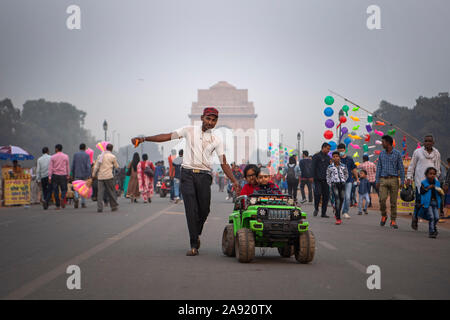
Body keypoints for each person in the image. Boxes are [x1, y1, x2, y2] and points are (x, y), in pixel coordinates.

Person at [131, 106, 241, 256]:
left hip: (204, 176)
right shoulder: (189, 130)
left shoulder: (217, 139)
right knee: (191, 210)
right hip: (187, 174)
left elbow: (223, 162)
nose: (210, 122)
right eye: (208, 118)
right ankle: (194, 244)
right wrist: (144, 139)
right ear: (202, 118)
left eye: (214, 120)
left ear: (216, 122)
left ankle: (196, 233)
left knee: (204, 210)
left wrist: (234, 180)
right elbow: (167, 136)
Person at [406, 134, 441, 230]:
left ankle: (433, 224)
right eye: (426, 141)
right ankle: (415, 218)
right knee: (419, 202)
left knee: (431, 203)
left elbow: (437, 169)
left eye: (430, 141)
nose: (428, 143)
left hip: (432, 183)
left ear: (433, 143)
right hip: (419, 182)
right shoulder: (417, 152)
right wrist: (409, 177)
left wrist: (436, 180)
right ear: (423, 142)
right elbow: (412, 166)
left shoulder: (437, 153)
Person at [375, 135, 405, 229]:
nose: (382, 144)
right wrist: (377, 180)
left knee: (393, 202)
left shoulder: (397, 154)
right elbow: (379, 167)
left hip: (394, 179)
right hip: (383, 179)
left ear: (388, 143)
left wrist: (403, 180)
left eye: (383, 142)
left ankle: (393, 220)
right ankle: (384, 215)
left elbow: (401, 168)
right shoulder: (381, 154)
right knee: (382, 199)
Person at [93, 144, 119, 212]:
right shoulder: (112, 156)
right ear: (111, 149)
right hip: (109, 176)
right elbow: (116, 166)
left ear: (106, 148)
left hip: (100, 177)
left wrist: (93, 174)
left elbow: (96, 166)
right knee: (111, 192)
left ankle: (99, 208)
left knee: (100, 193)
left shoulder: (100, 156)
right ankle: (113, 206)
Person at [419, 167, 442, 238]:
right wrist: (428, 187)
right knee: (431, 217)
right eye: (430, 174)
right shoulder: (424, 183)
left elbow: (440, 194)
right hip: (428, 203)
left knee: (437, 217)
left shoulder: (437, 183)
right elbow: (422, 192)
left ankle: (434, 227)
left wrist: (440, 190)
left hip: (435, 203)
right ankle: (431, 231)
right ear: (426, 175)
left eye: (434, 174)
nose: (432, 175)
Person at [337, 143, 358, 219]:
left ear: (345, 150)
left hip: (348, 180)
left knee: (348, 197)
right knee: (339, 197)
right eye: (339, 151)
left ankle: (345, 212)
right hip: (338, 181)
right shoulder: (336, 159)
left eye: (342, 151)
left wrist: (357, 178)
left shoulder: (349, 159)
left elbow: (354, 169)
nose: (341, 152)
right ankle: (337, 210)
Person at [326, 151, 348, 225]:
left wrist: (344, 180)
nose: (335, 158)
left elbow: (346, 174)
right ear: (332, 158)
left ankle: (337, 210)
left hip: (342, 184)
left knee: (342, 198)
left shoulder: (344, 166)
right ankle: (338, 218)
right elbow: (328, 176)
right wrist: (330, 184)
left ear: (339, 157)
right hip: (334, 184)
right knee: (337, 200)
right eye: (334, 156)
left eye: (337, 156)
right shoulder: (330, 167)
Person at [311, 143, 331, 218]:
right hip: (317, 179)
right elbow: (312, 167)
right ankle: (316, 208)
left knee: (326, 196)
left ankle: (323, 213)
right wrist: (312, 177)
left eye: (329, 149)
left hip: (326, 180)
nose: (328, 150)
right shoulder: (316, 156)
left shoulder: (328, 158)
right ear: (323, 148)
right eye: (327, 149)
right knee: (318, 194)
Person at [48, 144, 70, 210]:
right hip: (63, 175)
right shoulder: (66, 156)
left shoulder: (53, 157)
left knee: (56, 191)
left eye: (55, 148)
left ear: (57, 149)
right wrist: (68, 175)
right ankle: (62, 198)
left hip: (55, 176)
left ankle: (57, 206)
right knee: (64, 189)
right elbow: (67, 167)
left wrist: (49, 177)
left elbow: (50, 168)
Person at [71, 143, 91, 209]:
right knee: (83, 188)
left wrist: (72, 173)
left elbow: (73, 165)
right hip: (84, 174)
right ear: (85, 148)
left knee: (77, 187)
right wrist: (89, 175)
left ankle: (76, 197)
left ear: (79, 148)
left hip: (77, 173)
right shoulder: (87, 155)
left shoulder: (75, 155)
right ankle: (83, 203)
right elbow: (88, 166)